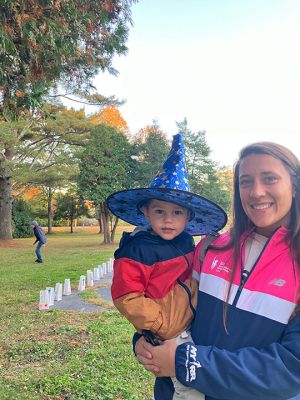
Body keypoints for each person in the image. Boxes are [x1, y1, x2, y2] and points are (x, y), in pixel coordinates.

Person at [135, 141, 300, 400]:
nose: (256, 192)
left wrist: (184, 362)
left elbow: (292, 368)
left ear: (294, 186)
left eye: (269, 179)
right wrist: (146, 339)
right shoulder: (209, 248)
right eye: (246, 182)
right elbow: (171, 306)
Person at [107, 134, 227, 399]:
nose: (168, 220)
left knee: (196, 380)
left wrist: (210, 245)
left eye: (177, 213)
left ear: (188, 217)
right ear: (146, 213)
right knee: (183, 389)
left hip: (191, 325)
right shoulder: (138, 249)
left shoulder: (185, 241)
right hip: (169, 331)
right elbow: (126, 296)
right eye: (159, 211)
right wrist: (161, 324)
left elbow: (193, 271)